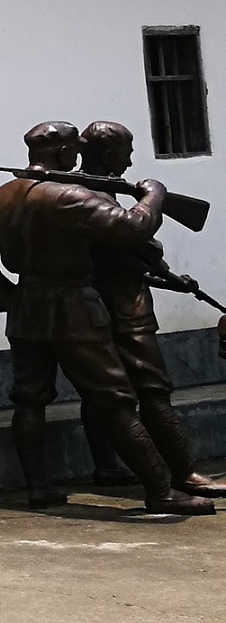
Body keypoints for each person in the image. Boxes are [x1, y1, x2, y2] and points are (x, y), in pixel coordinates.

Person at [0, 122, 210, 514]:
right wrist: (154, 195)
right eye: (73, 151)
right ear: (61, 153)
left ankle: (39, 488)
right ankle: (161, 491)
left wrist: (10, 300)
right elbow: (134, 227)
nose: (77, 157)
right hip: (73, 307)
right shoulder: (67, 196)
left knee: (29, 399)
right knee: (115, 399)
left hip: (27, 308)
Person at [79, 121, 226, 499]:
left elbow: (124, 256)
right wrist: (153, 197)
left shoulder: (82, 194)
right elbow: (138, 239)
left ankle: (108, 466)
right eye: (125, 154)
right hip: (125, 307)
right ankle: (184, 473)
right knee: (152, 388)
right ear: (108, 156)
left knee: (101, 391)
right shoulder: (94, 197)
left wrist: (172, 279)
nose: (130, 162)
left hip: (98, 303)